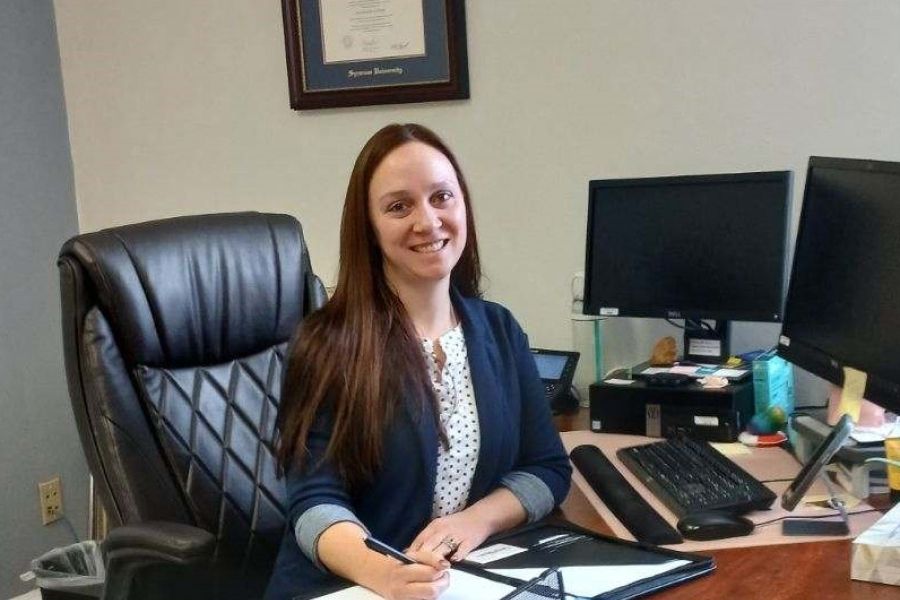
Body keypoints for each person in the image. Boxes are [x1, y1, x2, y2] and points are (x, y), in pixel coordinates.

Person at [265, 123, 572, 600]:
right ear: (369, 227)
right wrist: (385, 573)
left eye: (441, 197)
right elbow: (313, 504)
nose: (427, 222)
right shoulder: (328, 343)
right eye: (398, 206)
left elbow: (547, 468)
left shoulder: (499, 331)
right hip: (349, 588)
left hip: (461, 582)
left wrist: (473, 522)